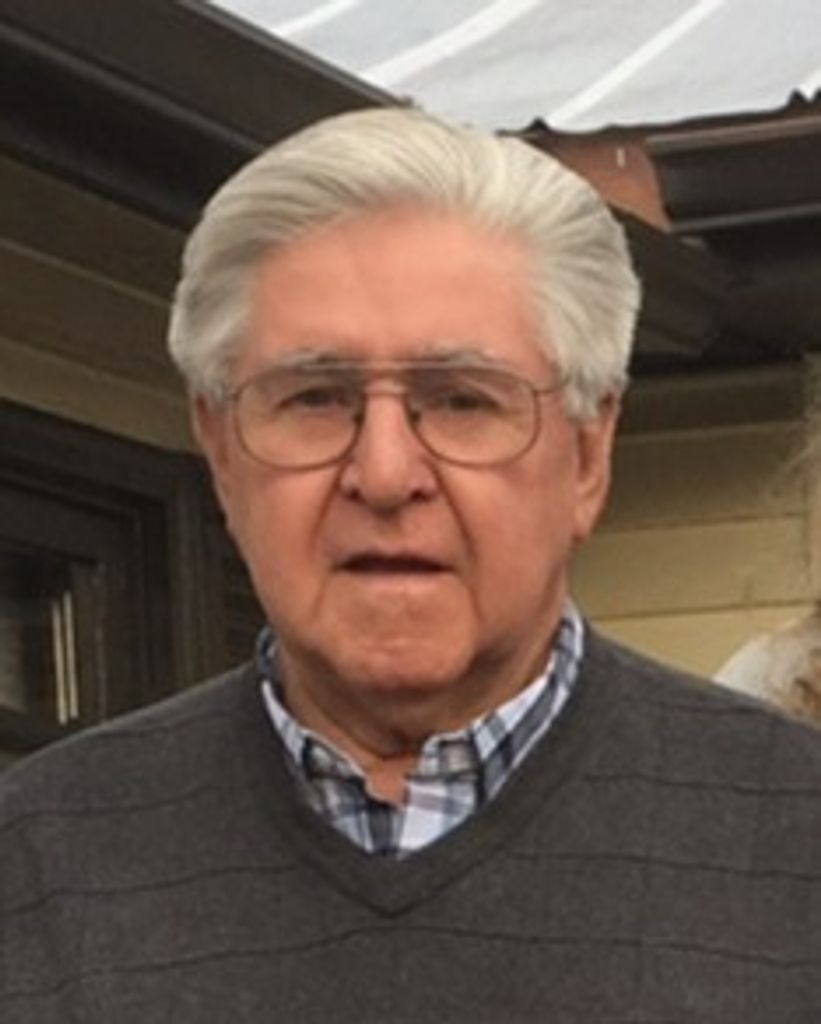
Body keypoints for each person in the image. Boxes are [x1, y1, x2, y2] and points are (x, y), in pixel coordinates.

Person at [3, 107, 821, 1024]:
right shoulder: (35, 867)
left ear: (588, 456)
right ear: (221, 450)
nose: (386, 474)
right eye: (315, 398)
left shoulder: (795, 844)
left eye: (463, 400)